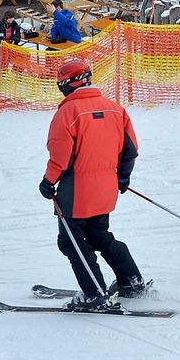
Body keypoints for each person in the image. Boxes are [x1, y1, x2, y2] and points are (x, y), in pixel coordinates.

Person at [38, 58, 147, 311]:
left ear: (67, 84)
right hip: (106, 188)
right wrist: (122, 176)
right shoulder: (115, 109)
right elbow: (130, 149)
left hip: (75, 191)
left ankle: (94, 294)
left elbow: (60, 156)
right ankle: (132, 282)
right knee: (99, 235)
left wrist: (48, 182)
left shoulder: (67, 113)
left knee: (71, 242)